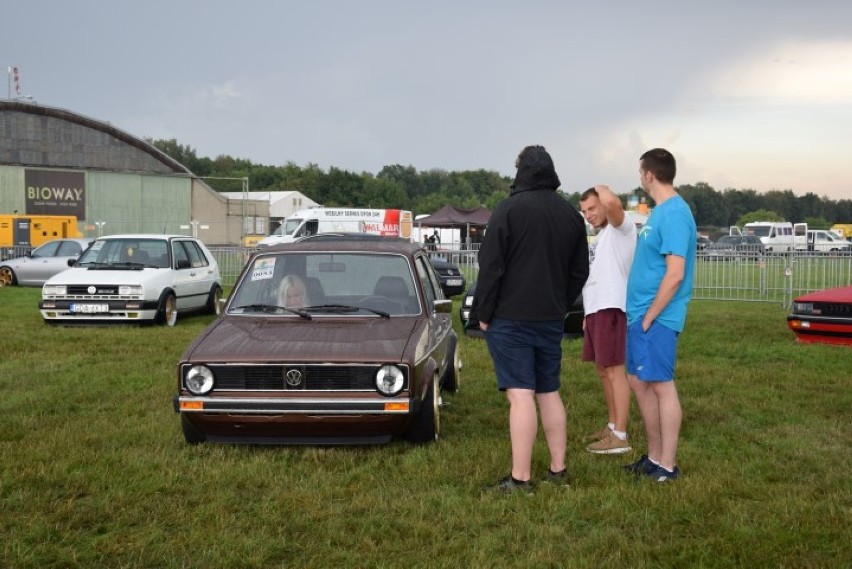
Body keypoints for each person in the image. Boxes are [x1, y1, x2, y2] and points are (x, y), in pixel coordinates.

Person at [472, 145, 589, 493]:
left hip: (510, 317)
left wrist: (483, 313)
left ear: (520, 171)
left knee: (520, 395)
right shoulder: (571, 214)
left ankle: (520, 479)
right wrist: (559, 303)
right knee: (548, 391)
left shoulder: (508, 209)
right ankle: (558, 470)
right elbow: (579, 271)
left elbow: (491, 267)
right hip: (550, 317)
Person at [622, 148, 696, 483]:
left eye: (641, 172)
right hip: (641, 316)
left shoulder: (676, 213)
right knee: (639, 382)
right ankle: (653, 456)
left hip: (658, 317)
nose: (640, 178)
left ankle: (668, 465)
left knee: (662, 386)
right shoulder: (659, 212)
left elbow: (675, 273)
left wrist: (651, 316)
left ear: (649, 174)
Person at [579, 185, 636, 455]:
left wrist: (599, 187)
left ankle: (621, 436)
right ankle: (612, 425)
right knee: (603, 369)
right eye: (584, 211)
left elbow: (613, 202)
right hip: (595, 309)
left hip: (612, 307)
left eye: (592, 208)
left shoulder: (620, 229)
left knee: (614, 369)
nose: (588, 215)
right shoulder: (600, 236)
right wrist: (587, 314)